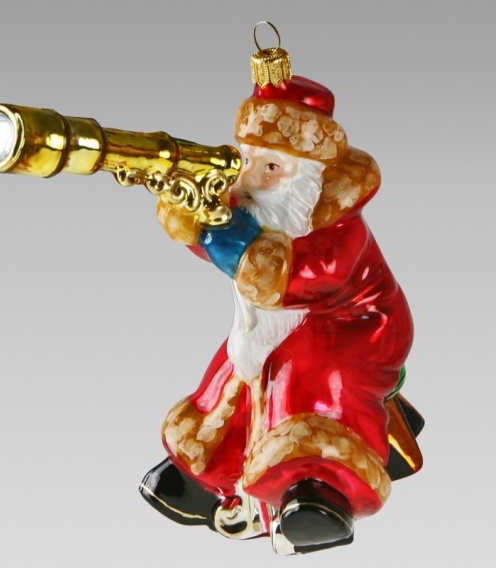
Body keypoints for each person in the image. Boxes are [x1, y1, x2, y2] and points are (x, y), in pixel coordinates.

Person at [140, 42, 423, 555]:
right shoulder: (256, 206)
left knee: (300, 376)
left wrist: (231, 246)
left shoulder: (339, 228)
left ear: (305, 176)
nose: (251, 180)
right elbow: (228, 249)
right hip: (283, 322)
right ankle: (202, 481)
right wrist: (196, 224)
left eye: (271, 168)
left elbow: (309, 277)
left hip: (359, 324)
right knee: (230, 371)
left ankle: (319, 495)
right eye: (248, 161)